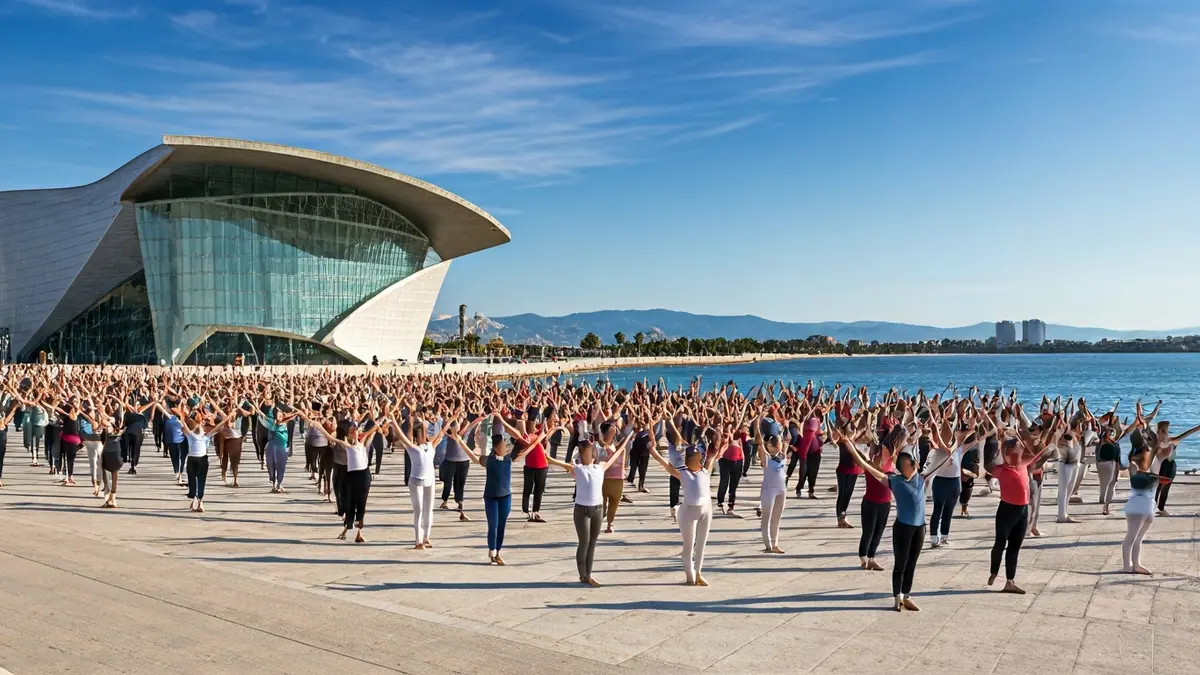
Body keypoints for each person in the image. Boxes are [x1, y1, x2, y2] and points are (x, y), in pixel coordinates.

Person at [546, 438, 626, 587]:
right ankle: (583, 575)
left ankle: (588, 575)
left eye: (592, 451)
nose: (591, 453)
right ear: (582, 454)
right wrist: (547, 455)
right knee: (584, 542)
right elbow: (555, 462)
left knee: (593, 543)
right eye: (587, 451)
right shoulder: (577, 468)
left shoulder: (600, 467)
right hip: (581, 509)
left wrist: (624, 444)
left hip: (598, 509)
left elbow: (614, 456)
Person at [301, 408, 389, 543]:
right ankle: (347, 527)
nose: (356, 430)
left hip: (364, 476)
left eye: (356, 429)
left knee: (361, 503)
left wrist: (384, 418)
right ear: (349, 433)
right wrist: (314, 423)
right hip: (350, 476)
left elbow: (375, 426)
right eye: (353, 429)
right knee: (348, 502)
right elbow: (329, 436)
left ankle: (359, 532)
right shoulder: (345, 445)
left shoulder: (363, 441)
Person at [394, 407, 454, 550]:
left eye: (425, 432)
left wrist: (452, 418)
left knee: (429, 509)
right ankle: (418, 540)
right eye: (422, 432)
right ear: (417, 435)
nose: (425, 434)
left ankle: (426, 536)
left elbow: (442, 433)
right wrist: (392, 420)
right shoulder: (412, 447)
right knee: (419, 510)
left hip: (430, 481)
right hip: (415, 480)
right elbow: (401, 435)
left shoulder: (430, 445)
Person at [1123, 440, 1166, 575]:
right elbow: (1129, 460)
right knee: (1130, 537)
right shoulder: (1134, 468)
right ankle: (1126, 566)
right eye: (1146, 453)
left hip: (1148, 507)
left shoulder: (1152, 470)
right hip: (1136, 507)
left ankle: (1136, 564)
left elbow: (1161, 454)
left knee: (1139, 538)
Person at [753, 411, 789, 553]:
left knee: (777, 518)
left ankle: (775, 543)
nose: (781, 444)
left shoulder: (782, 455)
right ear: (771, 445)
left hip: (781, 489)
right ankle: (768, 545)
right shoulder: (766, 457)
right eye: (778, 443)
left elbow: (787, 436)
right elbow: (759, 441)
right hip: (769, 489)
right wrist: (758, 420)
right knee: (767, 518)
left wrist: (782, 421)